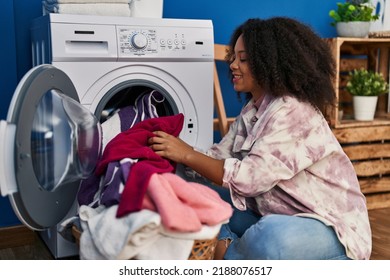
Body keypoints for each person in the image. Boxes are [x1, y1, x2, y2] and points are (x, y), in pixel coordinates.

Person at [148, 17, 372, 260]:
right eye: (233, 57)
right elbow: (217, 159)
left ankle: (227, 253)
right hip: (272, 211)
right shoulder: (253, 111)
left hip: (328, 226)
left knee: (270, 237)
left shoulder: (293, 110)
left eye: (243, 59)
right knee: (189, 192)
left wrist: (186, 154)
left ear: (269, 62)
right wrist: (171, 154)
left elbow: (248, 180)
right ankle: (234, 249)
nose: (233, 65)